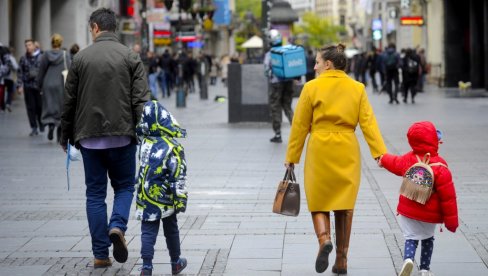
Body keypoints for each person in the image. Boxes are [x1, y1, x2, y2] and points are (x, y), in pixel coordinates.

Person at [285, 44, 387, 274]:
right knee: (345, 205)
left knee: (318, 199)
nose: (315, 66)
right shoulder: (357, 87)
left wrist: (292, 156)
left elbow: (299, 125)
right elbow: (368, 123)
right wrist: (379, 153)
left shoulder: (311, 87)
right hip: (347, 148)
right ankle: (341, 260)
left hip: (320, 148)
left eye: (317, 62)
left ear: (328, 64)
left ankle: (324, 240)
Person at [59, 8, 150, 268]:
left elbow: (69, 102)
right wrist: (143, 134)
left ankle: (100, 254)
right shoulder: (131, 57)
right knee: (124, 187)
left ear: (96, 28)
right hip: (122, 137)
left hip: (89, 138)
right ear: (114, 28)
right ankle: (117, 226)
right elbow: (141, 100)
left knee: (95, 195)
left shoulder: (80, 59)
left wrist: (65, 135)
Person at [378, 121, 458, 276]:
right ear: (435, 141)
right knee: (428, 239)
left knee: (411, 238)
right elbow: (449, 197)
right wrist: (451, 222)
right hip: (429, 214)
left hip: (408, 211)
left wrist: (383, 159)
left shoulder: (409, 159)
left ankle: (408, 259)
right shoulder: (441, 166)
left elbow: (395, 163)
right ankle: (424, 269)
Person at [135, 100, 188, 276]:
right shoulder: (173, 147)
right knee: (171, 229)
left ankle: (146, 266)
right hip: (165, 198)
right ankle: (176, 262)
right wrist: (180, 199)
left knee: (147, 231)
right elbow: (178, 175)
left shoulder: (145, 143)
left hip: (145, 196)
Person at [37, 33, 71, 141]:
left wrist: (39, 84)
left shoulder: (46, 54)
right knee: (60, 108)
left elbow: (41, 71)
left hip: (48, 83)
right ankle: (59, 131)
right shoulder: (65, 54)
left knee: (49, 105)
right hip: (60, 84)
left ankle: (50, 125)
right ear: (61, 43)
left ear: (52, 43)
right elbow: (69, 69)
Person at [264, 29, 294, 143]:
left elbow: (266, 71)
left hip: (276, 84)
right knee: (287, 106)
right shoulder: (286, 51)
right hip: (289, 82)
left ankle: (277, 134)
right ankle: (297, 130)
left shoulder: (270, 54)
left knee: (275, 107)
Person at [17, 39, 44, 136]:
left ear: (34, 46)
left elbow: (44, 72)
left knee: (40, 107)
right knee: (30, 108)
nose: (28, 47)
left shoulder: (41, 57)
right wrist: (19, 85)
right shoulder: (23, 59)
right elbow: (20, 72)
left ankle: (41, 122)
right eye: (26, 45)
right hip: (28, 86)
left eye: (29, 45)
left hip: (39, 86)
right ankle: (34, 127)